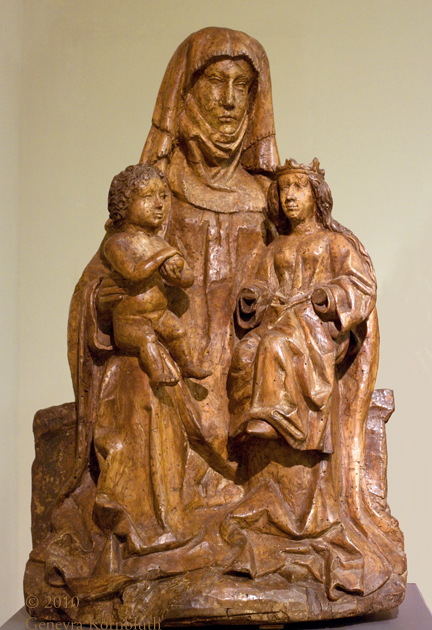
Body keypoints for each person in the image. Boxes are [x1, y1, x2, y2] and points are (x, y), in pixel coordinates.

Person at [225, 158, 406, 599]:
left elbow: (361, 286)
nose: (289, 196)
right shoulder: (273, 250)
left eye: (298, 188)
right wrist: (254, 298)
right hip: (280, 322)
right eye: (283, 189)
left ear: (316, 196)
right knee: (248, 352)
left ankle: (276, 414)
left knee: (275, 346)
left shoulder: (335, 243)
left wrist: (327, 296)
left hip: (315, 333)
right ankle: (258, 416)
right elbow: (256, 290)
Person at [140, 26, 280, 451]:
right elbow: (103, 283)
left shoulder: (268, 200)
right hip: (174, 372)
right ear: (186, 90)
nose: (230, 100)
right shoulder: (157, 192)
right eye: (217, 80)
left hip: (248, 378)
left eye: (243, 85)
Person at [98, 164, 210, 386]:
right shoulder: (117, 243)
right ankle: (157, 374)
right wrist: (163, 257)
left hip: (159, 314)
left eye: (162, 196)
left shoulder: (159, 242)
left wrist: (175, 276)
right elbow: (134, 273)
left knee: (178, 330)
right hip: (130, 320)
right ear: (124, 205)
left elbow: (188, 277)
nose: (159, 204)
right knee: (146, 338)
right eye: (148, 197)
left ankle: (187, 365)